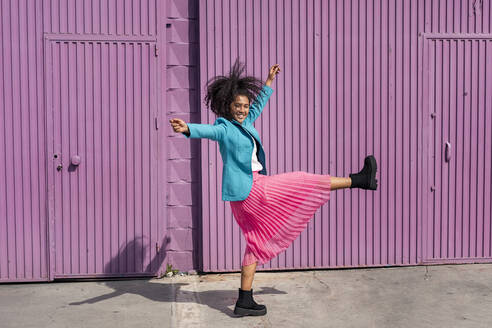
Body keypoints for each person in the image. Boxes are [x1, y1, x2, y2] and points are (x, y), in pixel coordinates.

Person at [169, 60, 378, 317]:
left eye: (245, 106)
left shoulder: (246, 123)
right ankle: (358, 180)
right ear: (228, 106)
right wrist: (188, 128)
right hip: (253, 189)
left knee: (254, 243)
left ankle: (244, 300)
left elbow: (259, 105)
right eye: (238, 106)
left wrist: (268, 82)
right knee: (304, 181)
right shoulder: (225, 127)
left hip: (247, 193)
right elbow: (209, 131)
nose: (243, 110)